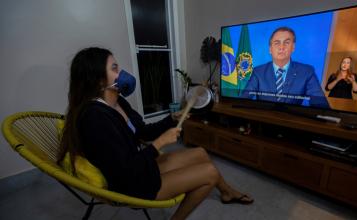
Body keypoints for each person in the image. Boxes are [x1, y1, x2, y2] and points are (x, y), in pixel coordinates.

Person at [58, 47, 253, 220]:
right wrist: (159, 144)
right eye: (115, 68)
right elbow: (124, 171)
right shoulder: (94, 118)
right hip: (133, 184)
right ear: (99, 80)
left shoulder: (118, 101)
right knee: (209, 172)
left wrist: (172, 119)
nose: (122, 72)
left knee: (201, 153)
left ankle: (227, 193)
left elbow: (143, 131)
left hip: (142, 166)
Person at [241, 27, 329, 108]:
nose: (281, 47)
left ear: (293, 47)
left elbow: (320, 105)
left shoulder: (307, 72)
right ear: (270, 49)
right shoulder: (258, 72)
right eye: (277, 43)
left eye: (286, 43)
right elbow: (243, 100)